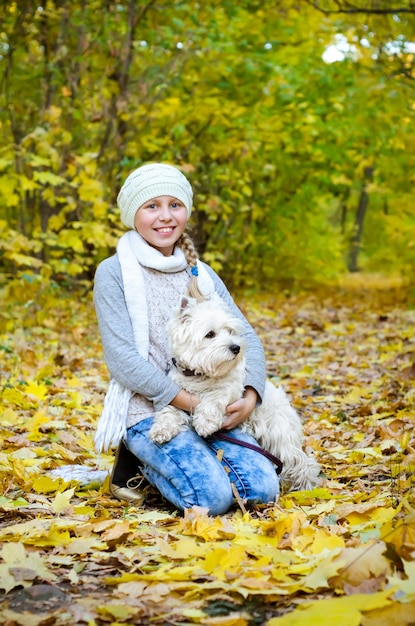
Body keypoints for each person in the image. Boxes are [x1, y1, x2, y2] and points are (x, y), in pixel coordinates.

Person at [93, 163, 279, 515]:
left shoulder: (202, 274)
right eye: (152, 206)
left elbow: (247, 337)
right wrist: (189, 403)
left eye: (175, 205)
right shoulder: (114, 272)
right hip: (149, 409)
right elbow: (121, 359)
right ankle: (137, 466)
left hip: (214, 401)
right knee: (210, 499)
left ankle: (194, 462)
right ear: (134, 213)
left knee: (262, 490)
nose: (165, 217)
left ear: (187, 212)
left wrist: (251, 395)